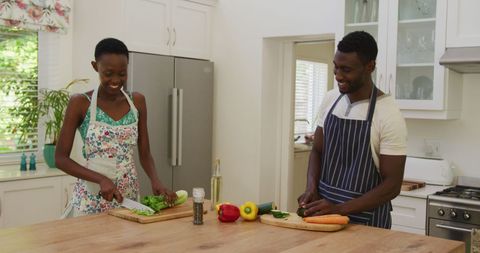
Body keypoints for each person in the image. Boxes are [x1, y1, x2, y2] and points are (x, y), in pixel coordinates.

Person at [297, 31, 407, 228]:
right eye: (336, 67)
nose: (338, 75)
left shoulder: (388, 113)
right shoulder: (331, 99)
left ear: (369, 66)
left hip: (367, 222)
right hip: (324, 217)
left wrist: (339, 209)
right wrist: (311, 188)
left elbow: (392, 186)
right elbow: (317, 150)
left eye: (346, 69)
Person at [56, 38, 177, 217]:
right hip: (92, 197)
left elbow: (145, 153)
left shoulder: (137, 101)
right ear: (95, 67)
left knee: (128, 244)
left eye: (122, 73)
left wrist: (155, 180)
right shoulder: (80, 103)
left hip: (128, 197)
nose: (115, 80)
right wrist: (101, 179)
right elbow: (60, 158)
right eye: (108, 73)